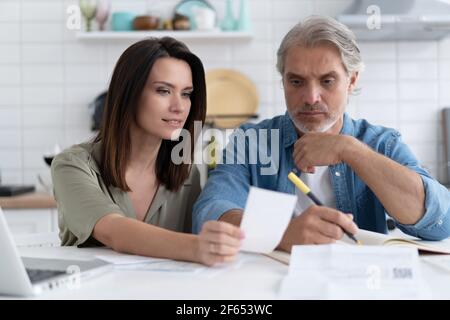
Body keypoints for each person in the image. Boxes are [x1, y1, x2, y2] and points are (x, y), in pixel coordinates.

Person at [193, 16, 450, 252]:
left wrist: (349, 150)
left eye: (327, 81)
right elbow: (209, 212)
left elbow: (441, 224)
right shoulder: (251, 142)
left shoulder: (381, 143)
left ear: (351, 81)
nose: (311, 98)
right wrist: (281, 233)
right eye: (296, 82)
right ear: (283, 81)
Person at [51, 37, 243, 266]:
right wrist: (196, 246)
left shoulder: (187, 173)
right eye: (163, 91)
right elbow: (115, 231)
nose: (179, 107)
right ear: (128, 94)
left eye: (186, 94)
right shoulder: (73, 166)